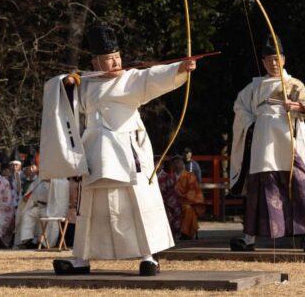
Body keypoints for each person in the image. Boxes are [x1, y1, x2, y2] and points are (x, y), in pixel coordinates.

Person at [40, 24, 197, 276]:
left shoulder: (131, 78)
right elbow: (62, 93)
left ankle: (149, 257)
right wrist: (67, 84)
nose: (115, 63)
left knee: (137, 202)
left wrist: (180, 68)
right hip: (95, 152)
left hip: (127, 150)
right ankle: (81, 258)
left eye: (117, 57)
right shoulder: (86, 83)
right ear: (95, 62)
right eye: (108, 59)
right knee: (92, 206)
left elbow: (153, 76)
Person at [230, 35, 305, 253]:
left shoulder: (294, 84)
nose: (273, 63)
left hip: (289, 142)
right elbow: (239, 107)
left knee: (303, 185)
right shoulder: (253, 88)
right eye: (269, 59)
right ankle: (249, 238)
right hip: (263, 144)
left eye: (277, 58)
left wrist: (297, 106)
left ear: (284, 59)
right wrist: (252, 123)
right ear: (262, 62)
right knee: (261, 190)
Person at [171, 155, 205, 239]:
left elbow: (193, 191)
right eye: (174, 163)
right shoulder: (171, 176)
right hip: (172, 201)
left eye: (178, 162)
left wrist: (181, 196)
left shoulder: (190, 176)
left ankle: (185, 233)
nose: (176, 164)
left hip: (187, 201)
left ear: (183, 164)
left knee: (187, 209)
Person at [157, 158, 181, 237]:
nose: (155, 166)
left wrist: (163, 199)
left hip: (166, 200)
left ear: (162, 165)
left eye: (157, 164)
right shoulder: (151, 176)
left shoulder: (167, 176)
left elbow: (171, 191)